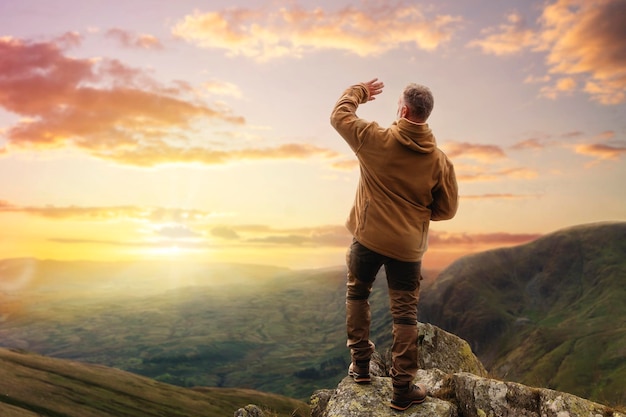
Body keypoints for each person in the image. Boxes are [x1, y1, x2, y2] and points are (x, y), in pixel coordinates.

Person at [330, 78, 458, 411]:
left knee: (357, 294)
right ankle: (402, 390)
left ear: (402, 110)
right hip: (407, 249)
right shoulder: (440, 162)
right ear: (426, 115)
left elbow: (339, 116)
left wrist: (359, 91)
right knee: (405, 315)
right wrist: (415, 214)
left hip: (367, 238)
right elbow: (447, 209)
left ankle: (360, 367)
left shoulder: (373, 139)